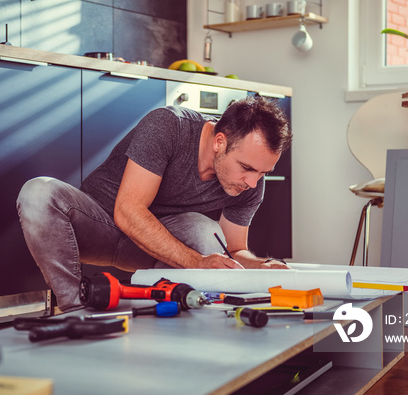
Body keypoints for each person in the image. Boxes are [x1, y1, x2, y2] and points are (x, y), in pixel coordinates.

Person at [16, 94, 292, 311]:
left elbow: (234, 249)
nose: (253, 182)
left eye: (263, 172)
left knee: (204, 230)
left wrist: (260, 265)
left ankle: (171, 312)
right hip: (100, 225)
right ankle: (74, 306)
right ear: (220, 141)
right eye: (246, 168)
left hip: (156, 251)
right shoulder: (169, 125)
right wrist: (197, 262)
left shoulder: (251, 179)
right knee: (38, 192)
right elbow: (128, 212)